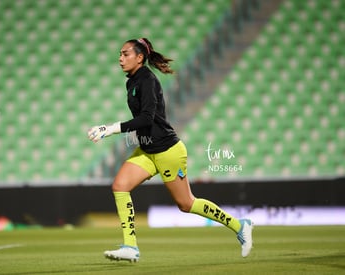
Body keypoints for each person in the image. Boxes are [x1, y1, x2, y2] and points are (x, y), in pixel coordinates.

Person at [87, 38, 253, 262]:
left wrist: (110, 129)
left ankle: (239, 225)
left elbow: (146, 119)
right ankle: (130, 247)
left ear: (139, 57)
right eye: (120, 54)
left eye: (125, 54)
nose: (120, 58)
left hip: (167, 151)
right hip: (147, 150)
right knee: (120, 186)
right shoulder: (132, 82)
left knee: (187, 204)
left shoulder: (147, 80)